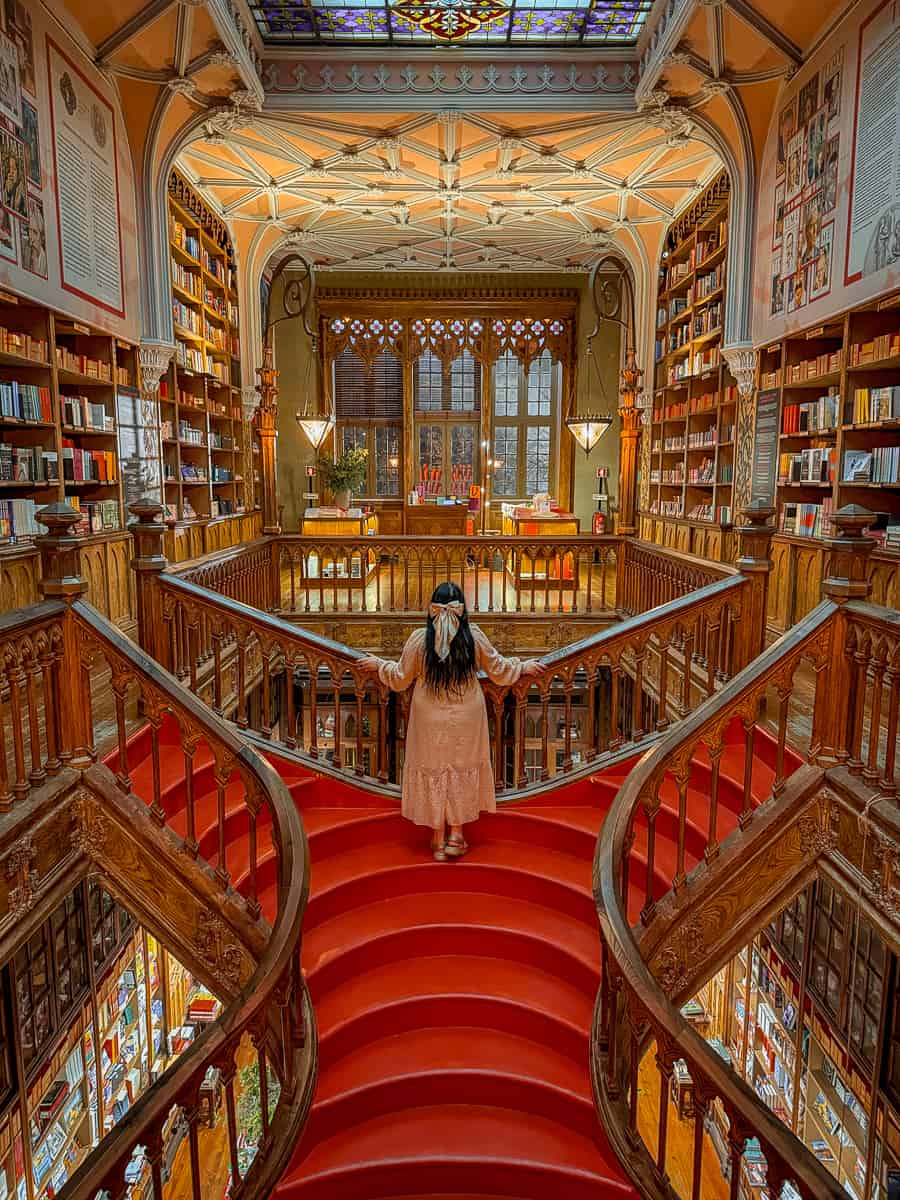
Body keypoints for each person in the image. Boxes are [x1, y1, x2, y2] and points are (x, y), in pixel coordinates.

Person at [359, 582, 543, 860]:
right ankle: (456, 836)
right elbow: (499, 670)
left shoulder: (420, 640)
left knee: (433, 767)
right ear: (462, 609)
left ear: (432, 608)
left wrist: (379, 665)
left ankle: (437, 837)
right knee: (460, 768)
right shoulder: (473, 637)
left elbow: (399, 678)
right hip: (466, 713)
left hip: (428, 714)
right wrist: (522, 667)